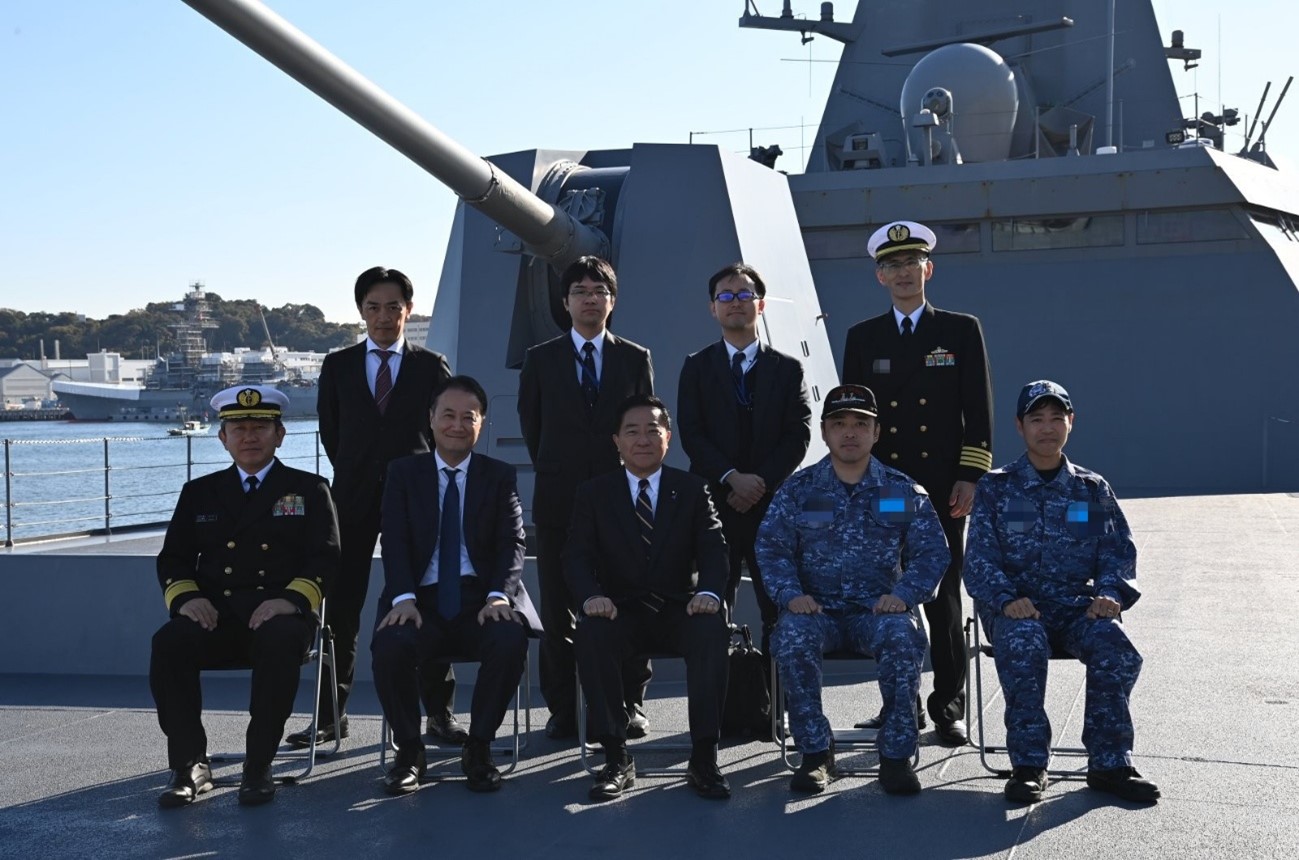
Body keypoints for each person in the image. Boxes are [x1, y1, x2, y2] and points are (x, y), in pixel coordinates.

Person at [288, 267, 460, 750]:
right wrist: (360, 468)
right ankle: (330, 715)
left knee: (429, 601)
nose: (384, 317)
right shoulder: (338, 365)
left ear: (409, 310)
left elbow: (441, 432)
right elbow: (332, 431)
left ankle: (439, 712)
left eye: (393, 307)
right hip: (352, 498)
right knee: (340, 608)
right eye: (373, 307)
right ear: (361, 311)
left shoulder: (431, 366)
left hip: (417, 498)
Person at [964, 380, 1159, 804]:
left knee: (1116, 648)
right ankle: (1029, 765)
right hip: (1015, 609)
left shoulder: (1090, 489)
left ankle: (1110, 764)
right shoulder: (996, 488)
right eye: (1037, 419)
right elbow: (979, 560)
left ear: (1071, 422)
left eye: (1057, 418)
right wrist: (1005, 599)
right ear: (1020, 426)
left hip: (1076, 609)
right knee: (1025, 644)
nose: (1047, 428)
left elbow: (1116, 553)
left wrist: (1110, 593)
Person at [150, 385, 340, 807]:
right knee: (169, 642)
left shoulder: (309, 489)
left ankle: (258, 765)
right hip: (217, 617)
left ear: (280, 435)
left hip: (281, 615)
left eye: (260, 428)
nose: (249, 437)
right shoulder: (199, 492)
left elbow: (325, 558)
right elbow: (174, 559)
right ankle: (189, 765)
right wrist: (186, 600)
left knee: (279, 640)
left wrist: (291, 600)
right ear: (223, 438)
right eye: (238, 429)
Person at [840, 221, 993, 745]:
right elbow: (853, 420)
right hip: (885, 489)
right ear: (879, 276)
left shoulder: (959, 330)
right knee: (887, 595)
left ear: (929, 269)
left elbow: (978, 410)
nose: (903, 273)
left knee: (943, 599)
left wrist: (970, 476)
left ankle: (949, 705)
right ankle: (898, 702)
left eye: (911, 263)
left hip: (942, 488)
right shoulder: (863, 338)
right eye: (892, 265)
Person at [756, 384, 949, 795]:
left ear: (876, 433)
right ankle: (815, 753)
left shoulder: (899, 491)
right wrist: (790, 594)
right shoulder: (799, 490)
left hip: (876, 611)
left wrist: (905, 595)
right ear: (824, 432)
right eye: (839, 423)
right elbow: (771, 548)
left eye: (861, 424)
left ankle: (895, 756)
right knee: (791, 636)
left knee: (902, 635)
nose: (849, 432)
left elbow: (932, 552)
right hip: (816, 611)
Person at [371, 376, 541, 795]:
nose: (457, 425)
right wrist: (403, 597)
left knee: (509, 641)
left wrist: (499, 596)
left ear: (482, 423)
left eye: (469, 417)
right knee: (390, 645)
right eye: (448, 415)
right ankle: (410, 752)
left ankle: (479, 748)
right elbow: (394, 539)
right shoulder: (403, 473)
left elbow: (513, 541)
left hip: (480, 598)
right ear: (431, 419)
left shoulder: (498, 476)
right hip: (419, 600)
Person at [565, 394, 732, 801]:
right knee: (591, 633)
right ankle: (615, 756)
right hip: (619, 610)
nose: (643, 440)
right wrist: (590, 598)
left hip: (679, 608)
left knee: (711, 630)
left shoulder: (692, 489)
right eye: (632, 431)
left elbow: (714, 550)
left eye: (652, 431)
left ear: (668, 438)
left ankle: (704, 757)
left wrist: (709, 593)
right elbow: (576, 557)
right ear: (617, 441)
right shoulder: (593, 493)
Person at [518, 256, 655, 740]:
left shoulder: (634, 358)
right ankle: (562, 707)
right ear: (565, 302)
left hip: (623, 502)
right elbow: (533, 430)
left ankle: (629, 702)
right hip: (560, 501)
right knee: (559, 609)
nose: (590, 299)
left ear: (612, 301)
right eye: (580, 291)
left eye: (599, 291)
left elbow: (645, 429)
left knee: (629, 600)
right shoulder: (541, 359)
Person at [676, 262, 812, 651]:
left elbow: (798, 433)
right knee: (714, 605)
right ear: (713, 307)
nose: (735, 302)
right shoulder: (696, 367)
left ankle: (775, 689)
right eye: (725, 296)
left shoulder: (787, 369)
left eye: (744, 294)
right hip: (715, 503)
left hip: (771, 506)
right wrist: (732, 477)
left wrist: (759, 482)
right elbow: (692, 432)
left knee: (779, 609)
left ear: (761, 305)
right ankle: (722, 689)